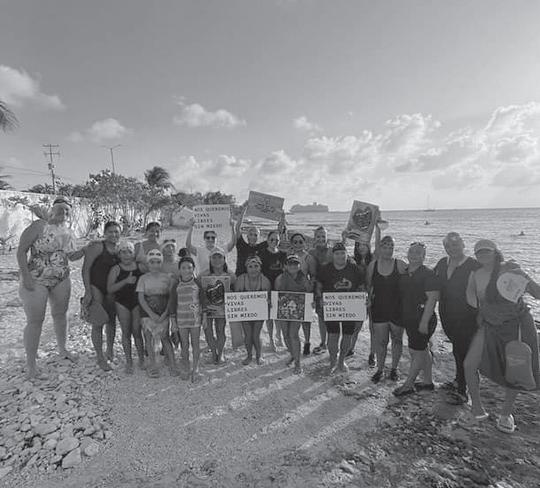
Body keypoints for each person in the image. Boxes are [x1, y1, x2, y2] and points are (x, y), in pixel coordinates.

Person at [464, 239, 540, 433]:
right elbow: (473, 300)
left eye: (487, 251)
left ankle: (506, 414)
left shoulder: (510, 269)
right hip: (489, 326)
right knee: (469, 365)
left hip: (517, 325)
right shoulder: (476, 274)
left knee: (515, 368)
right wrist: (481, 314)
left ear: (495, 252)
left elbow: (537, 294)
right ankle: (477, 410)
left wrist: (525, 278)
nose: (483, 254)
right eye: (479, 252)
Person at [17, 197, 85, 379]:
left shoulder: (68, 231)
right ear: (52, 209)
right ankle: (31, 365)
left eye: (67, 210)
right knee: (35, 320)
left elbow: (72, 256)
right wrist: (26, 277)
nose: (64, 212)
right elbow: (21, 251)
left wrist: (88, 248)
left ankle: (63, 349)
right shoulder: (39, 226)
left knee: (60, 314)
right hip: (36, 278)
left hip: (61, 278)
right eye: (60, 208)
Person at [434, 232, 480, 404]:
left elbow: (489, 281)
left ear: (463, 245)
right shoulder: (442, 263)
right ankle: (458, 380)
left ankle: (463, 391)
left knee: (465, 352)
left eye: (455, 244)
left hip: (467, 315)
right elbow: (430, 280)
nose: (452, 248)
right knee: (457, 349)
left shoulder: (473, 265)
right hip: (446, 314)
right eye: (448, 246)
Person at [393, 242, 440, 396]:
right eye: (412, 251)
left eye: (418, 252)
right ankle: (428, 382)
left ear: (424, 256)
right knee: (423, 349)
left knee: (416, 351)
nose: (414, 255)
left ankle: (408, 384)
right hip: (410, 318)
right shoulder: (405, 273)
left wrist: (424, 322)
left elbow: (432, 299)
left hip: (423, 318)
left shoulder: (428, 274)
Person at [316, 242, 365, 374]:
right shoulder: (325, 269)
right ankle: (333, 360)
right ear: (333, 255)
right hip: (332, 307)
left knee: (348, 335)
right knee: (333, 335)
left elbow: (361, 287)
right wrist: (320, 298)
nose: (340, 256)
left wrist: (363, 299)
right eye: (337, 253)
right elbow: (319, 286)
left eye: (343, 253)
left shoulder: (355, 269)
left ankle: (341, 360)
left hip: (350, 307)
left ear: (346, 254)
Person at [366, 235, 407, 383]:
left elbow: (413, 281)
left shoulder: (400, 264)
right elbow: (368, 286)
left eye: (391, 247)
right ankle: (380, 369)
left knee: (397, 340)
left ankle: (394, 369)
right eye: (385, 247)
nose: (388, 250)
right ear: (379, 248)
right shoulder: (373, 266)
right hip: (379, 309)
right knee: (381, 342)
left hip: (397, 310)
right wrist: (368, 300)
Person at [82, 221, 121, 370]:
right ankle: (100, 357)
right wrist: (87, 291)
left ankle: (110, 350)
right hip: (96, 287)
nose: (114, 234)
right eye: (110, 231)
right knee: (98, 322)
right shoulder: (97, 247)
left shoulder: (120, 249)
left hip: (112, 290)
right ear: (104, 233)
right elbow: (86, 269)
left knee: (111, 321)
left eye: (116, 232)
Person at [136, 249, 179, 378]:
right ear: (148, 264)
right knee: (148, 339)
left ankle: (173, 364)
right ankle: (152, 365)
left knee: (165, 338)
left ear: (161, 263)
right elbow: (141, 298)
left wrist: (165, 313)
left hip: (163, 311)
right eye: (152, 262)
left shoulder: (167, 278)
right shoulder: (143, 278)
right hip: (147, 313)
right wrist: (150, 314)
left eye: (158, 262)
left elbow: (170, 297)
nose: (155, 265)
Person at [106, 240, 144, 374]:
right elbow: (110, 289)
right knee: (126, 332)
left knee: (137, 331)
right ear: (119, 254)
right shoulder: (116, 269)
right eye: (123, 252)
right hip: (122, 303)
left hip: (137, 302)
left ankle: (141, 359)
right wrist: (125, 281)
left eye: (129, 252)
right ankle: (129, 361)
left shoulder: (139, 267)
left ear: (133, 254)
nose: (126, 255)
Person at [275, 254, 314, 374]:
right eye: (290, 263)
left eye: (295, 263)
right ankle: (293, 354)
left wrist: (311, 303)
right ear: (285, 266)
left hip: (297, 312)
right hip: (284, 311)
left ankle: (297, 362)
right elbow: (276, 294)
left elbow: (309, 293)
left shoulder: (304, 279)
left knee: (293, 334)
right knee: (286, 335)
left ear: (299, 265)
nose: (293, 266)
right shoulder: (280, 278)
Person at [171, 256, 205, 382]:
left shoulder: (197, 283)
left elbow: (203, 301)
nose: (187, 270)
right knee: (184, 345)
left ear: (193, 269)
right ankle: (186, 366)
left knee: (196, 344)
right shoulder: (176, 285)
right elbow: (172, 304)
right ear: (179, 270)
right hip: (181, 320)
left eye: (189, 267)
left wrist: (205, 317)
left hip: (195, 320)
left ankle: (196, 367)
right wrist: (173, 322)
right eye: (183, 268)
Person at [200, 248, 237, 364]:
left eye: (219, 257)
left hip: (222, 308)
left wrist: (231, 293)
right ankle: (213, 352)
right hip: (207, 308)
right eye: (214, 257)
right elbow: (197, 289)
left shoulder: (230, 275)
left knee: (220, 330)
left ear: (224, 259)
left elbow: (236, 291)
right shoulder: (204, 274)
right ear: (210, 259)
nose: (217, 260)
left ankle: (220, 354)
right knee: (208, 331)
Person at [235, 255, 271, 365]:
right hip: (245, 311)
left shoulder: (264, 280)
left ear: (260, 267)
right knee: (248, 335)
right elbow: (236, 297)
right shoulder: (241, 279)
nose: (253, 269)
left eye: (256, 266)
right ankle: (249, 355)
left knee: (256, 334)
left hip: (259, 311)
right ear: (246, 268)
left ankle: (259, 356)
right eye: (250, 266)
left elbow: (268, 298)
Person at [288, 232, 316, 355]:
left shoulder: (308, 258)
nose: (298, 244)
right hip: (290, 292)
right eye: (295, 242)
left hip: (305, 292)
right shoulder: (288, 255)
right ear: (292, 244)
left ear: (304, 243)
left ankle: (307, 342)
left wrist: (311, 292)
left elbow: (313, 276)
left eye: (300, 241)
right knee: (292, 319)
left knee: (306, 321)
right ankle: (293, 342)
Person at [259, 230, 288, 351]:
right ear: (267, 240)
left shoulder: (282, 254)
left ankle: (279, 336)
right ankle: (271, 339)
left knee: (279, 316)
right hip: (267, 287)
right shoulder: (262, 253)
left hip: (279, 288)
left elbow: (286, 271)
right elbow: (259, 271)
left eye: (277, 240)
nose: (274, 242)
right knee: (269, 317)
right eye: (272, 239)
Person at [309, 226, 333, 355]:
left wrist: (344, 239)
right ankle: (323, 342)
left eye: (323, 236)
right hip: (318, 289)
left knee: (332, 317)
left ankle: (332, 342)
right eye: (318, 236)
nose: (321, 239)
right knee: (321, 317)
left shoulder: (332, 251)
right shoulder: (311, 252)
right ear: (314, 238)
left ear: (327, 238)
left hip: (332, 288)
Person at [349, 240, 374, 362]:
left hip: (374, 295)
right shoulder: (352, 260)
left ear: (369, 245)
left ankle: (372, 354)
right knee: (356, 326)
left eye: (364, 244)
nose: (361, 247)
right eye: (359, 245)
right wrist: (344, 239)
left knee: (373, 328)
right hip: (358, 296)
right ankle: (350, 348)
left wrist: (377, 229)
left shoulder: (374, 259)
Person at [234, 205, 267, 276]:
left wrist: (281, 219)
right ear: (247, 236)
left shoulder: (261, 247)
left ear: (258, 237)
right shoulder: (241, 245)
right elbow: (237, 228)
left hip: (256, 279)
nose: (253, 237)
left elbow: (276, 238)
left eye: (255, 235)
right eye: (251, 234)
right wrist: (243, 212)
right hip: (241, 277)